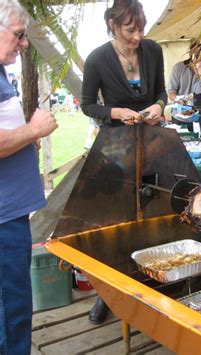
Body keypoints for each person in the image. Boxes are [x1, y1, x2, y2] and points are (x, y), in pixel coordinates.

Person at [81, 0, 167, 324]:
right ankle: (108, 294)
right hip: (115, 150)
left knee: (150, 215)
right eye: (131, 30)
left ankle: (148, 284)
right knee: (116, 222)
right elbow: (88, 105)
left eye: (142, 29)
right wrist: (114, 112)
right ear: (113, 24)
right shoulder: (97, 59)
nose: (138, 37)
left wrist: (158, 105)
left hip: (153, 145)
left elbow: (161, 92)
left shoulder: (153, 50)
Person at [0, 1, 58, 353]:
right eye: (19, 35)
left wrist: (24, 141)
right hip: (3, 219)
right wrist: (35, 129)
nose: (24, 44)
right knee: (11, 312)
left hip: (10, 213)